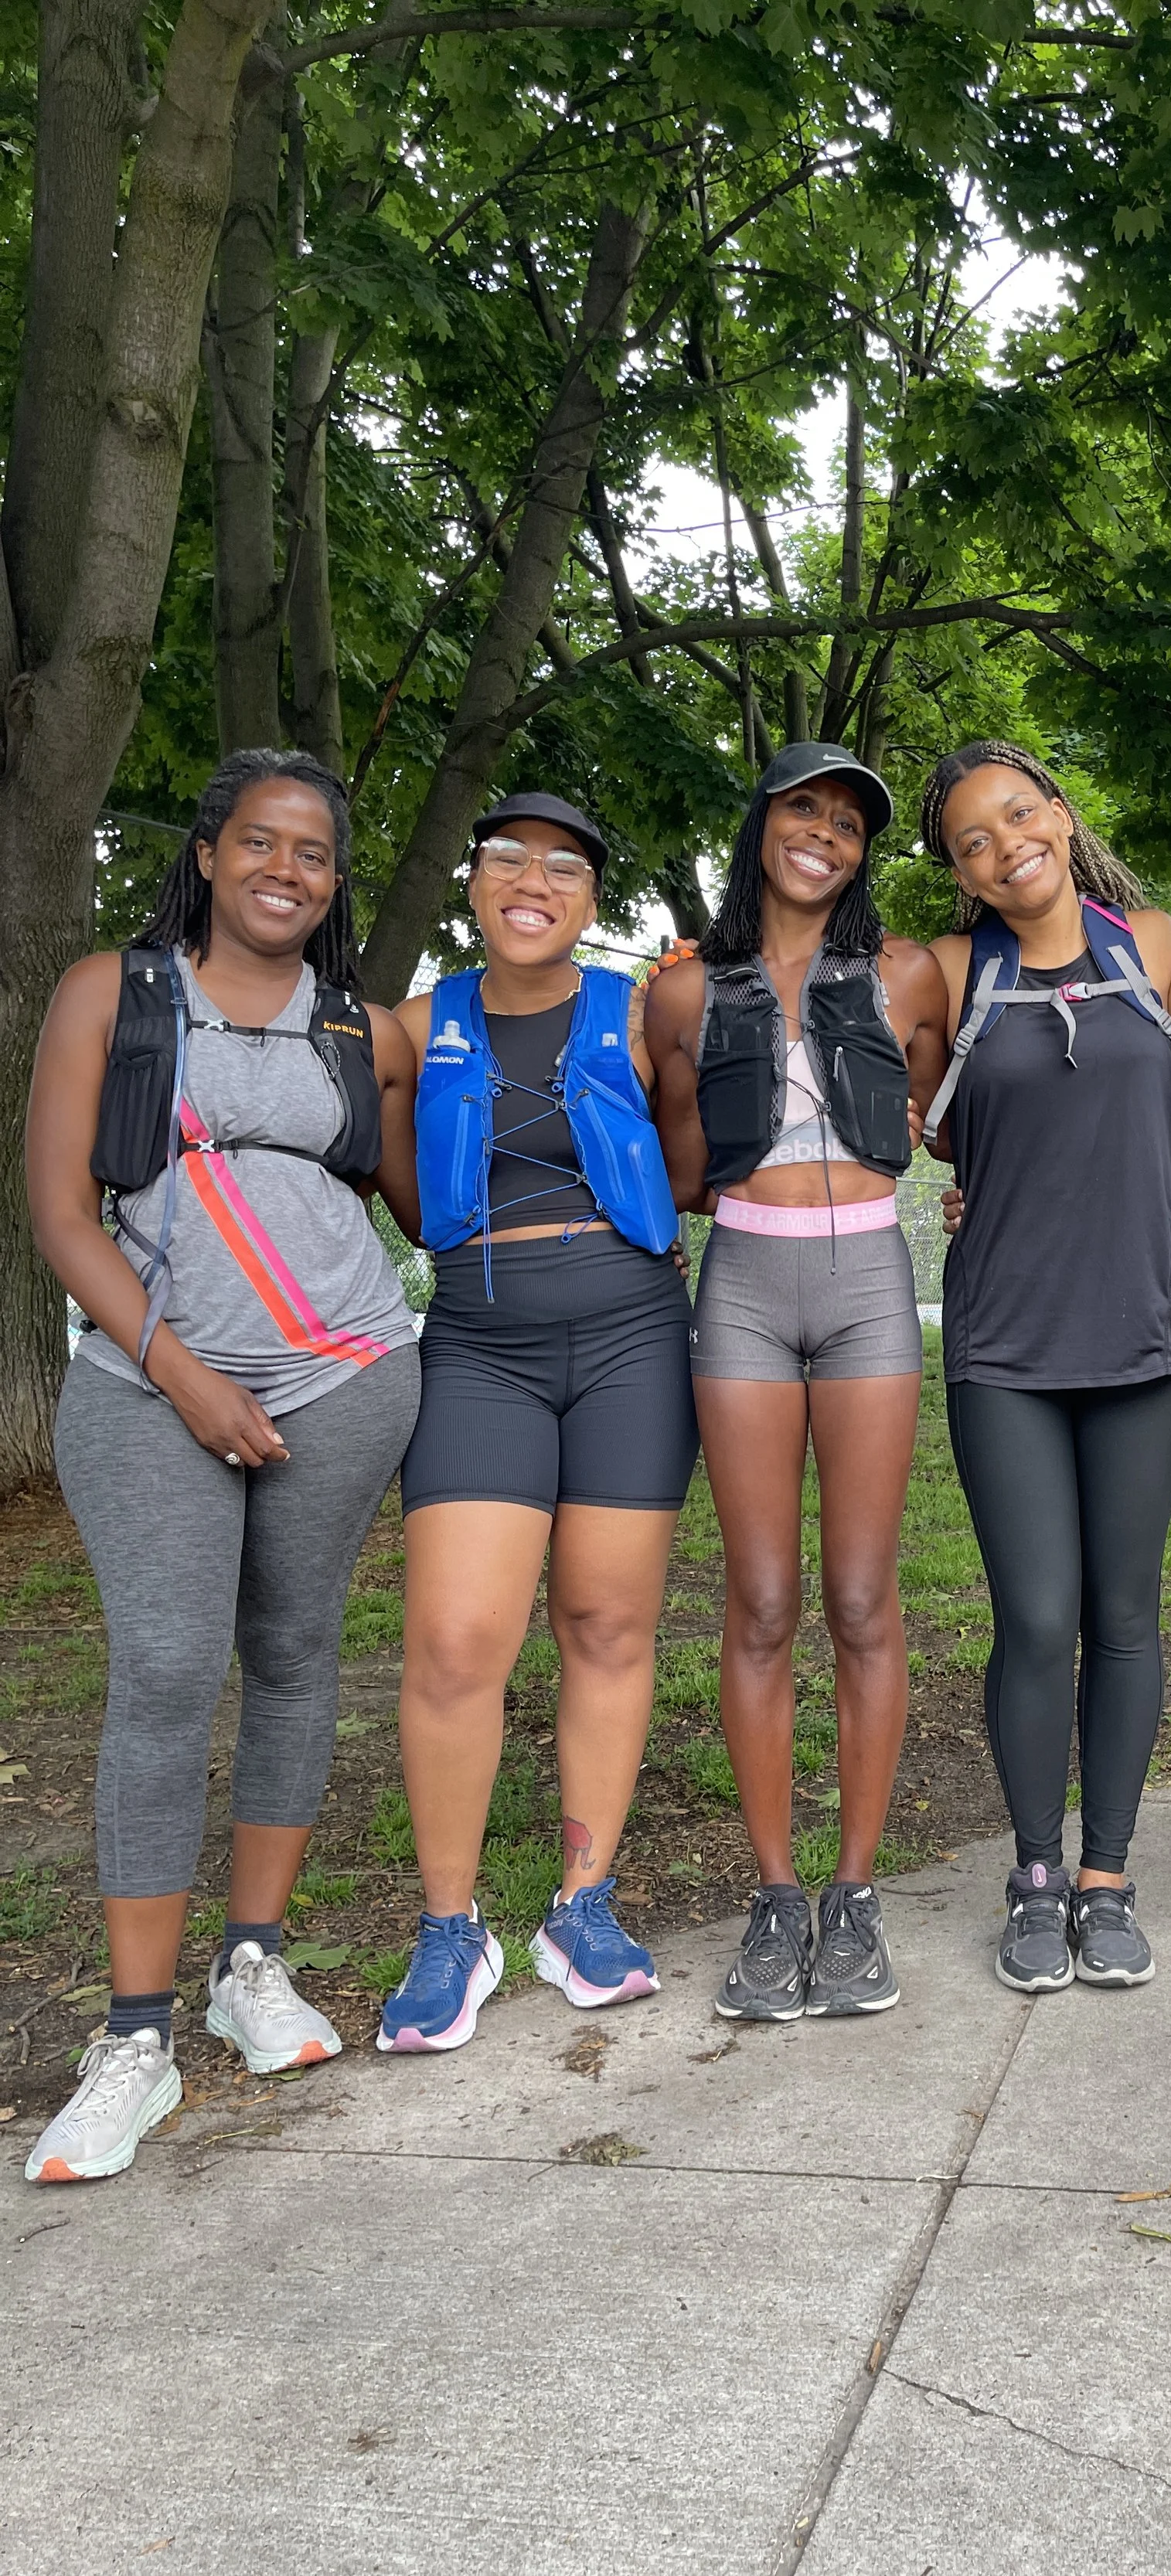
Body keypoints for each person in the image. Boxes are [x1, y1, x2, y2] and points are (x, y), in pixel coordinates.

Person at [22, 750, 422, 2183]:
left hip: (346, 1375)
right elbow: (63, 1212)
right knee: (172, 1669)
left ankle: (250, 1967)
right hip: (147, 1384)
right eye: (261, 843)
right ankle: (133, 2038)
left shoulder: (350, 1025)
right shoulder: (111, 995)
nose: (287, 871)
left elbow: (406, 1191)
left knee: (299, 1653)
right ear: (206, 854)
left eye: (313, 855)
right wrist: (184, 1375)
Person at [381, 791, 697, 2052]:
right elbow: (407, 1197)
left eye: (566, 866)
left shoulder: (640, 1010)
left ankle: (583, 1903)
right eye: (507, 855)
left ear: (590, 898)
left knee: (608, 1623)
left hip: (630, 1333)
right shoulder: (409, 1027)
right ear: (472, 879)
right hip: (480, 1341)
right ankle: (450, 1927)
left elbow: (689, 1160)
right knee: (458, 1640)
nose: (535, 879)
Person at [645, 744, 948, 2022]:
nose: (824, 834)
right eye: (803, 811)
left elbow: (922, 1109)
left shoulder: (905, 972)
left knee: (862, 1596)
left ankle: (857, 1897)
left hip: (869, 1278)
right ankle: (777, 1899)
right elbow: (670, 1157)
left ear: (865, 851)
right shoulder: (682, 989)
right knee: (762, 1600)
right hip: (746, 1291)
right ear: (761, 825)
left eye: (848, 822)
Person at [921, 740, 1171, 1995]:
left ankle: (1108, 1877)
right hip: (1007, 1347)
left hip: (1146, 1334)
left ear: (1060, 814)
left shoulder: (1153, 945)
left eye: (1018, 815)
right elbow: (851, 1072)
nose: (1005, 846)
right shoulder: (947, 973)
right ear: (962, 874)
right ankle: (1036, 1874)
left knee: (1126, 1616)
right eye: (972, 841)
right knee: (1038, 1617)